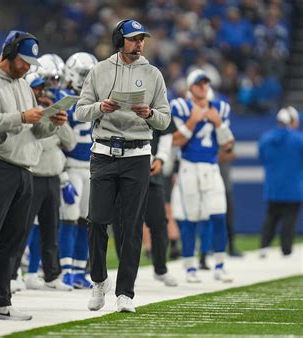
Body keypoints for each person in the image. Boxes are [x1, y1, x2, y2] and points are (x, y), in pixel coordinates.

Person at [0, 30, 67, 321]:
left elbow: (35, 132)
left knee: (13, 239)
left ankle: (0, 299)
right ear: (8, 53)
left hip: (24, 167)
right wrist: (21, 117)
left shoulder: (24, 86)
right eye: (23, 60)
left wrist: (52, 122)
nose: (28, 67)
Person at [76, 19, 171, 313]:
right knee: (96, 221)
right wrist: (99, 108)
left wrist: (150, 113)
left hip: (138, 154)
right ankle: (98, 280)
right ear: (119, 40)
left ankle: (125, 293)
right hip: (104, 152)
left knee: (130, 227)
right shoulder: (99, 70)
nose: (139, 44)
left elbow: (165, 119)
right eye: (133, 39)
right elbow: (80, 110)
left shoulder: (153, 74)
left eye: (142, 39)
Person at [12, 70, 77, 292]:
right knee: (21, 228)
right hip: (33, 175)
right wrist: (44, 119)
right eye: (36, 88)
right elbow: (31, 139)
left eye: (42, 88)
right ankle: (13, 273)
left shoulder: (46, 112)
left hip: (52, 177)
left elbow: (70, 142)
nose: (40, 92)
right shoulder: (25, 112)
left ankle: (51, 275)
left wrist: (56, 115)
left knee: (51, 229)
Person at [170, 69, 234, 284]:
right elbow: (175, 141)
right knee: (190, 220)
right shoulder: (181, 107)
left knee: (218, 216)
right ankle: (190, 267)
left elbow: (228, 145)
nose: (203, 87)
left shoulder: (220, 108)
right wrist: (192, 122)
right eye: (199, 84)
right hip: (189, 167)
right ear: (190, 87)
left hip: (211, 167)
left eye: (206, 83)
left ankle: (219, 265)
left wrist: (219, 124)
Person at [113, 119, 179, 288]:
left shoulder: (155, 98)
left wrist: (161, 158)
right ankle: (125, 271)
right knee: (121, 222)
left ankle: (160, 268)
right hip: (120, 168)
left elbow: (166, 132)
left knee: (158, 221)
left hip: (149, 169)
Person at [57, 52, 97, 289]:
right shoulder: (63, 98)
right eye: (83, 74)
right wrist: (62, 177)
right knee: (69, 219)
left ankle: (80, 270)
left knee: (86, 221)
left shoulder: (97, 99)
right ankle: (66, 270)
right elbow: (58, 140)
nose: (85, 79)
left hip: (91, 167)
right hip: (71, 166)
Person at [259, 106, 302, 258]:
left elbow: (262, 159)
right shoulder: (299, 139)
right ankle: (286, 249)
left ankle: (264, 246)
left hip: (273, 187)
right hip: (294, 187)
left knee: (271, 217)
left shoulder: (265, 138)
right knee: (289, 220)